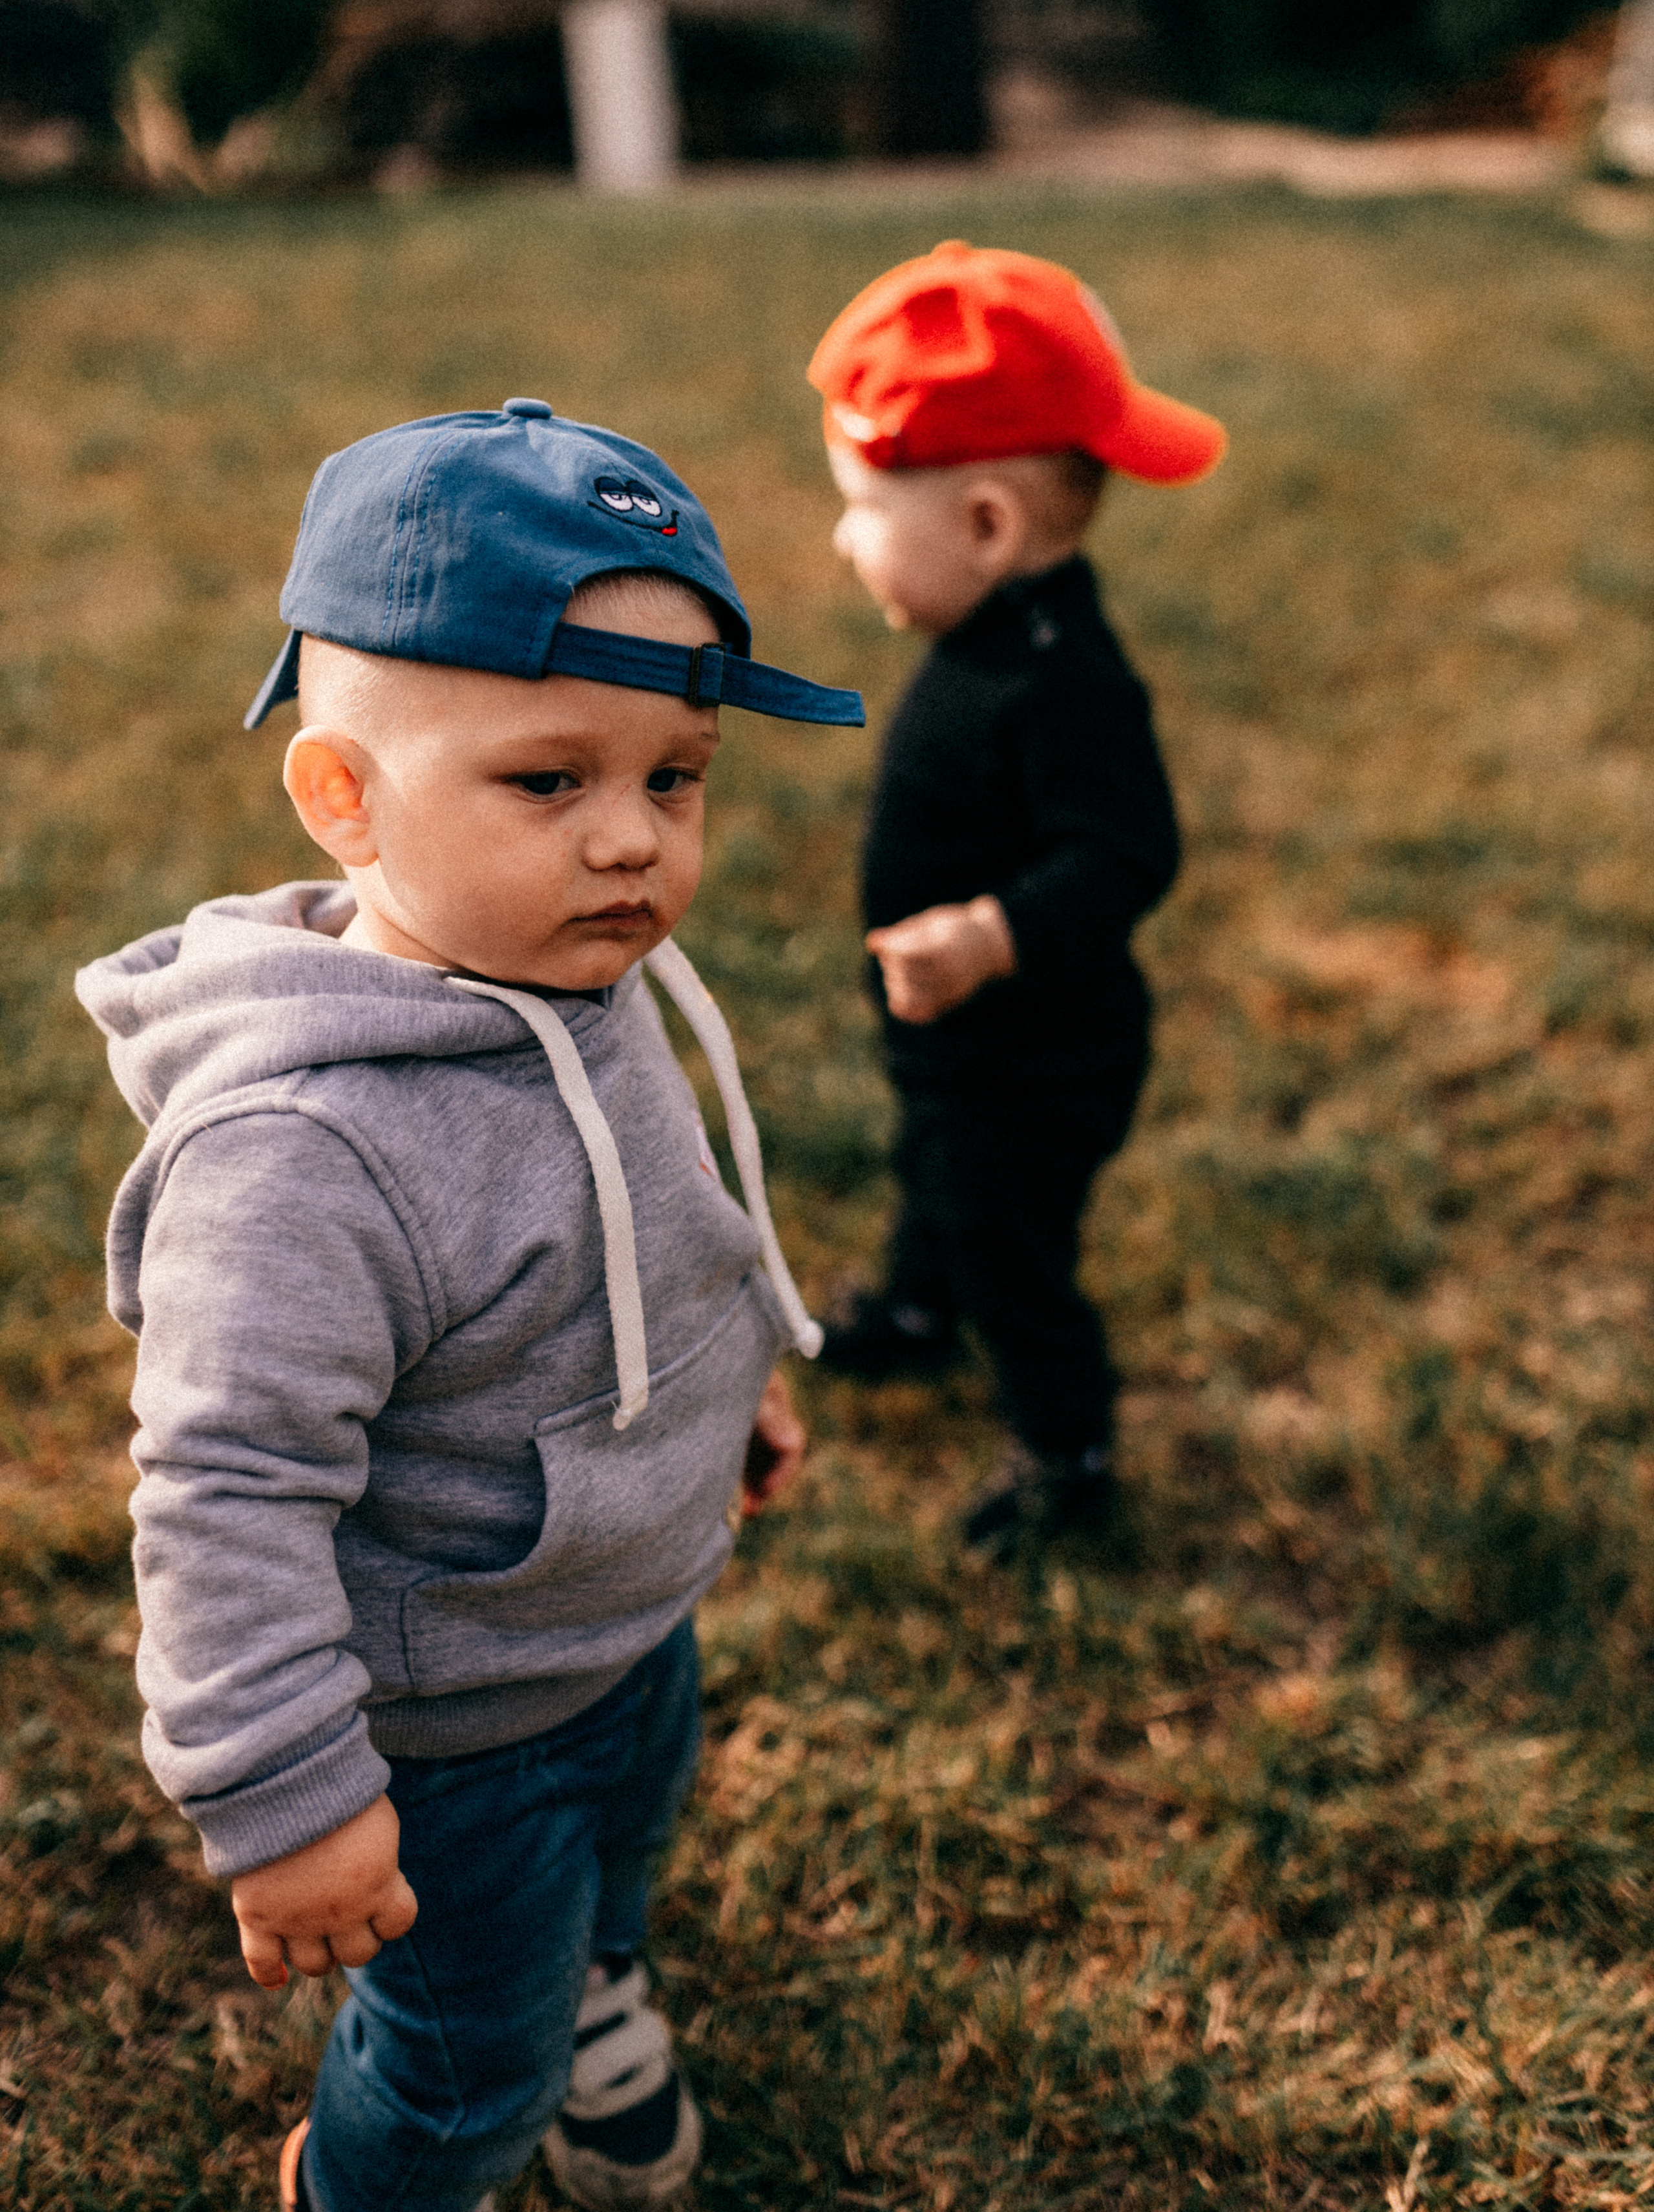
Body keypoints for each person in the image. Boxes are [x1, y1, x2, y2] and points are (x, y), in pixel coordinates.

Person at [75, 398, 865, 2212]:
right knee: (455, 2075)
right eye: (548, 780)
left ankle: (596, 1985)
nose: (632, 846)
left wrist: (716, 1385)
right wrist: (287, 1798)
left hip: (619, 1627)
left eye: (674, 779)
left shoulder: (582, 980)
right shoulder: (302, 1156)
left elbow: (654, 1230)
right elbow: (225, 1494)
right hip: (442, 1725)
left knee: (616, 1873)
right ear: (344, 795)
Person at [806, 242, 1226, 1554]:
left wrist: (992, 936)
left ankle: (1068, 1452)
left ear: (987, 528)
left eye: (863, 509)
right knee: (934, 1173)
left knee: (1011, 1250)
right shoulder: (985, 637)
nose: (837, 536)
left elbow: (1125, 856)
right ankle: (916, 1313)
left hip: (1042, 1061)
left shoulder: (1065, 683)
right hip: (962, 1047)